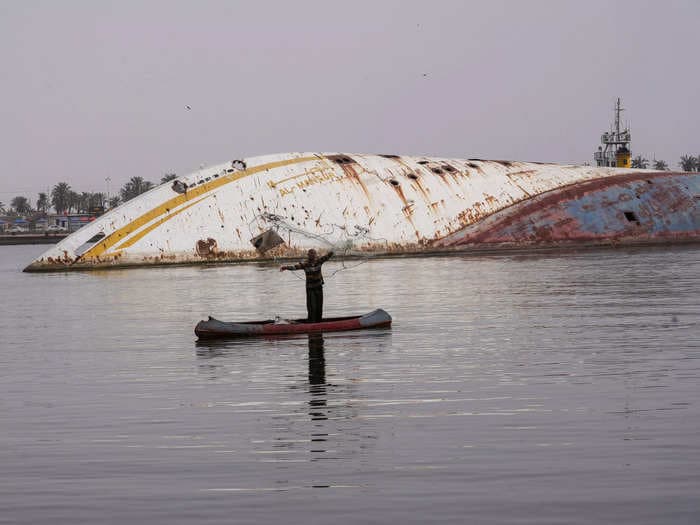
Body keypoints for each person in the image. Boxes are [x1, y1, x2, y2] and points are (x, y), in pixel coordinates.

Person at [280, 249, 334, 322]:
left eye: (314, 254)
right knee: (312, 307)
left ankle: (318, 322)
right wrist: (285, 267)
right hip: (310, 289)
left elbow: (327, 256)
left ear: (315, 255)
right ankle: (311, 322)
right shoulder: (305, 264)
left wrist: (332, 251)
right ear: (308, 256)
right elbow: (295, 267)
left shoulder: (319, 261)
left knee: (319, 307)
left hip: (319, 288)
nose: (312, 255)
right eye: (311, 254)